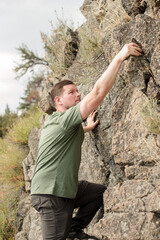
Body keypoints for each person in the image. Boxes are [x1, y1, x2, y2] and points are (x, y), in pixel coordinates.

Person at [31, 43, 142, 240]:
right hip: (52, 194)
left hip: (66, 188)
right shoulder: (61, 119)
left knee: (98, 193)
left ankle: (73, 229)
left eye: (77, 91)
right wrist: (119, 58)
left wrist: (86, 127)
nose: (78, 94)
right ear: (58, 101)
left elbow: (62, 137)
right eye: (71, 92)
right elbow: (97, 93)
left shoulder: (62, 125)